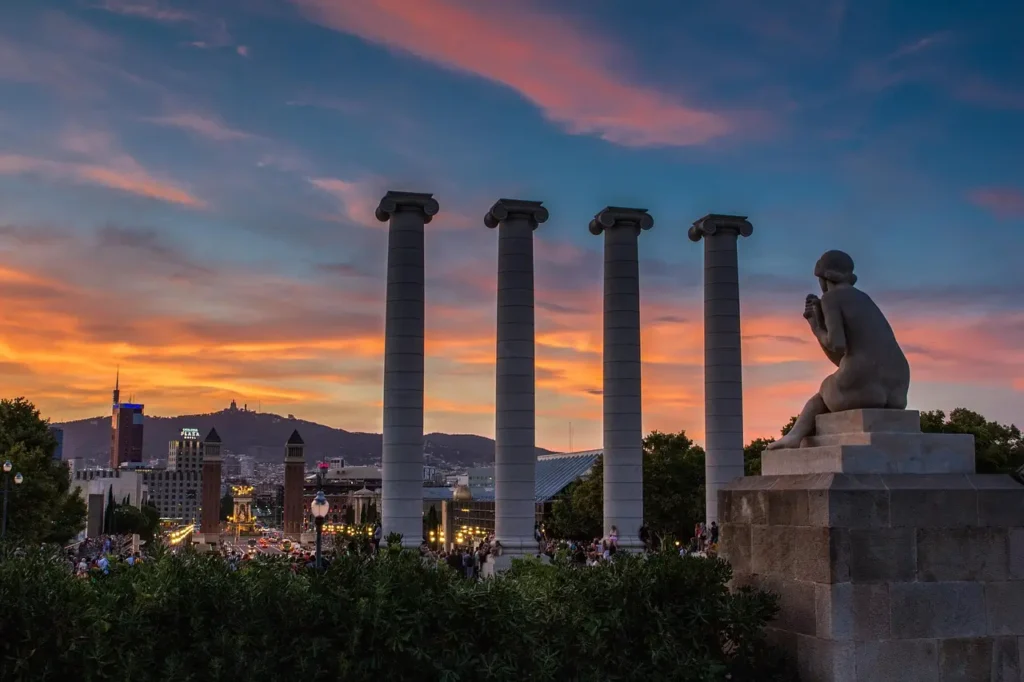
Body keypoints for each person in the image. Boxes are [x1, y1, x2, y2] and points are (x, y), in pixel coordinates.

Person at [767, 250, 910, 450]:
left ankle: (794, 436)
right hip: (898, 386)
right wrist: (820, 320)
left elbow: (837, 345)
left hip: (864, 379)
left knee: (824, 391)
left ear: (823, 278)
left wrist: (815, 326)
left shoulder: (831, 298)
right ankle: (794, 436)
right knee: (837, 383)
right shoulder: (864, 298)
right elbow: (846, 357)